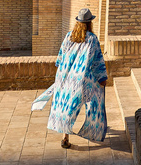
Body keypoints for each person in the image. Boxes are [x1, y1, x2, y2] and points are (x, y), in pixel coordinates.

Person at [31, 8, 108, 148]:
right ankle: (93, 130)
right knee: (93, 101)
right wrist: (102, 78)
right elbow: (97, 61)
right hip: (82, 79)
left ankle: (65, 137)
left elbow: (60, 58)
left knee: (67, 106)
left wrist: (62, 74)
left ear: (77, 23)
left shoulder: (69, 36)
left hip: (65, 76)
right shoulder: (92, 39)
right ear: (90, 23)